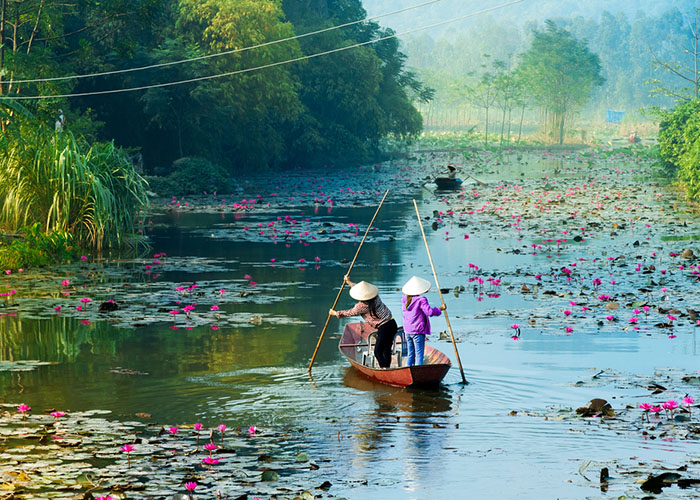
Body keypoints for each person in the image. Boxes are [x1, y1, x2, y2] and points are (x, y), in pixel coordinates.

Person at [330, 276, 397, 368]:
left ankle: (384, 369)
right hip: (392, 323)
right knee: (386, 350)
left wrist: (335, 313)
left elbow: (350, 312)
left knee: (378, 352)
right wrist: (349, 282)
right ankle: (387, 368)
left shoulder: (362, 306)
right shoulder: (376, 297)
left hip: (384, 327)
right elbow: (360, 289)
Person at [401, 276, 444, 366]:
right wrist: (440, 309)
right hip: (417, 331)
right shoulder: (421, 300)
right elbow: (429, 312)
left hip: (407, 331)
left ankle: (408, 370)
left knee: (410, 354)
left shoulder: (404, 299)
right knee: (419, 355)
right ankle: (418, 373)